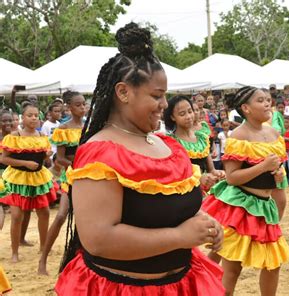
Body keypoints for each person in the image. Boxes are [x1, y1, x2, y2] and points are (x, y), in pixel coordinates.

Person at [55, 23, 224, 295]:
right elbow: (99, 239)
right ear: (123, 92)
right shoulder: (101, 152)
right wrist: (180, 237)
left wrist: (204, 222)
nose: (165, 104)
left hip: (182, 284)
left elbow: (165, 208)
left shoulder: (167, 145)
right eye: (156, 95)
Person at [202, 86, 289, 295]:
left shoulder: (274, 133)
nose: (267, 103)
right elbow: (232, 177)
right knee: (232, 267)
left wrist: (279, 176)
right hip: (241, 207)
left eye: (268, 99)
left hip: (264, 208)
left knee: (273, 263)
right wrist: (263, 167)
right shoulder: (239, 135)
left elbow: (277, 170)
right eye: (260, 100)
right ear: (246, 108)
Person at [0, 103, 56, 263]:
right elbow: (4, 158)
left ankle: (44, 246)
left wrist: (47, 155)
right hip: (18, 178)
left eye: (36, 115)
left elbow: (44, 160)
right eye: (30, 115)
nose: (33, 118)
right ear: (22, 118)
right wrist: (25, 164)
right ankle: (14, 252)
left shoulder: (41, 137)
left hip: (37, 178)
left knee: (44, 212)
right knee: (17, 216)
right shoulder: (14, 136)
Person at [38, 90, 86, 275]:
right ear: (68, 107)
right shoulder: (63, 130)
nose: (82, 107)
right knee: (61, 216)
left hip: (89, 177)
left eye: (84, 104)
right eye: (78, 105)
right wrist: (77, 163)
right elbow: (60, 160)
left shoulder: (90, 127)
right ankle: (43, 261)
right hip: (72, 176)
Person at [164, 96, 224, 192]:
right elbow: (175, 173)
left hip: (206, 191)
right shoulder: (171, 142)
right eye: (182, 114)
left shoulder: (202, 138)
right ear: (172, 117)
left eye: (190, 111)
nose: (188, 117)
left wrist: (218, 174)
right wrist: (198, 178)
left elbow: (211, 169)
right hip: (186, 192)